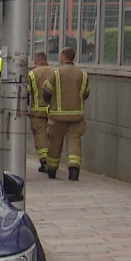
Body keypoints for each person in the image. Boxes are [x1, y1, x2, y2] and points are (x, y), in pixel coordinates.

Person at [42, 47, 90, 181]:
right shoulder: (83, 74)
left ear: (64, 56)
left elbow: (46, 92)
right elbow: (86, 93)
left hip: (58, 116)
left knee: (55, 143)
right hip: (76, 116)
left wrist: (51, 104)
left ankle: (51, 169)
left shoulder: (56, 73)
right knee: (74, 142)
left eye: (60, 55)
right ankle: (74, 170)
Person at [27, 51, 56, 172]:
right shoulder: (55, 71)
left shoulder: (32, 74)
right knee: (53, 137)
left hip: (38, 111)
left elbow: (27, 92)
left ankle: (44, 161)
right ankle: (53, 162)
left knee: (40, 136)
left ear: (36, 61)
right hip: (53, 111)